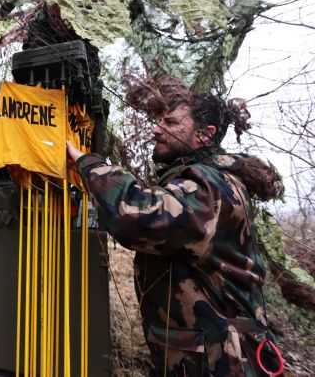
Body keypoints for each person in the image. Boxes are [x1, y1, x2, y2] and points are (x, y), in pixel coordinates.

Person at [67, 74, 283, 376]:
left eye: (170, 123)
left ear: (204, 135)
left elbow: (141, 217)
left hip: (224, 362)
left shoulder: (211, 187)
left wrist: (89, 164)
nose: (156, 129)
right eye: (160, 121)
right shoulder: (206, 179)